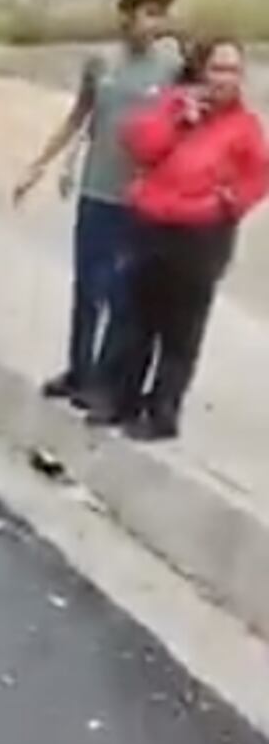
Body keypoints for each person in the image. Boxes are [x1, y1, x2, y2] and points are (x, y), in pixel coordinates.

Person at [13, 0, 181, 406]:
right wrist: (42, 165)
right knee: (87, 290)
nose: (154, 24)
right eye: (147, 13)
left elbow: (182, 130)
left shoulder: (171, 68)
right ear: (126, 15)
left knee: (123, 294)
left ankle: (109, 382)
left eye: (161, 15)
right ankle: (79, 372)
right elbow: (81, 118)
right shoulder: (101, 63)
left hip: (139, 200)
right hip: (96, 194)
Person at [105, 37, 269, 441]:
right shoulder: (176, 104)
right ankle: (123, 400)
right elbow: (138, 143)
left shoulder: (245, 126)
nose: (224, 79)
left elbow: (259, 175)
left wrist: (228, 204)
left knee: (181, 330)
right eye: (218, 68)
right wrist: (178, 120)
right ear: (201, 71)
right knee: (138, 320)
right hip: (153, 223)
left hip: (200, 236)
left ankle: (163, 413)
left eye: (233, 70)